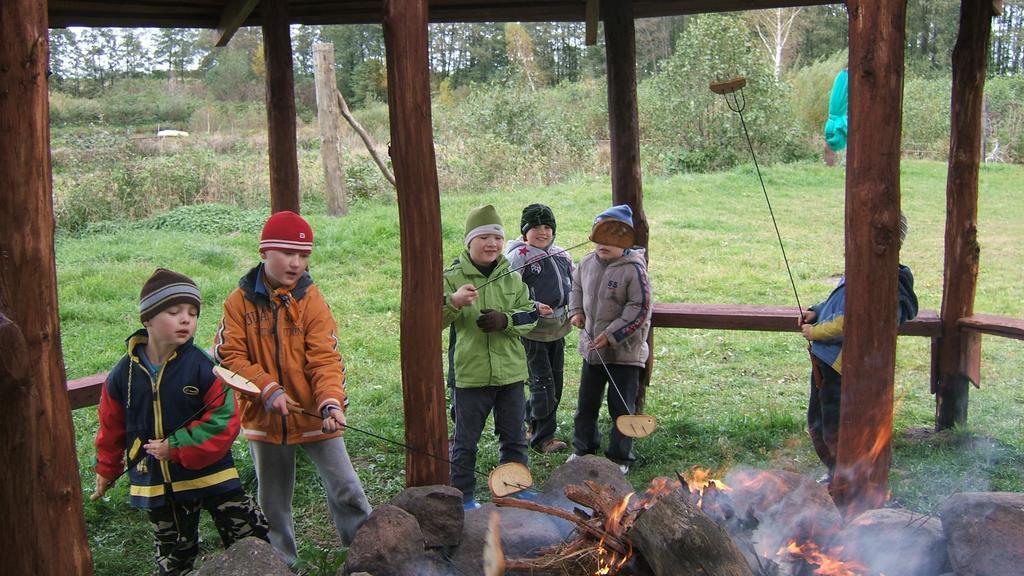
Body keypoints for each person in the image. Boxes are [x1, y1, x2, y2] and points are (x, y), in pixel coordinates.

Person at [214, 211, 371, 565]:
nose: (296, 263)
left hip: (314, 413)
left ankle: (366, 554)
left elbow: (325, 357)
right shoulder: (237, 303)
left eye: (303, 256)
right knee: (272, 500)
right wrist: (267, 389)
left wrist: (331, 402)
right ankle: (282, 563)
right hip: (265, 420)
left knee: (347, 488)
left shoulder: (311, 300)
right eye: (287, 253)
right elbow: (228, 357)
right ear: (264, 252)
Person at [94, 268, 268, 576]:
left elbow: (225, 420)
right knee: (174, 557)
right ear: (147, 319)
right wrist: (107, 470)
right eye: (174, 312)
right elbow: (111, 427)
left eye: (192, 312)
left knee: (250, 535)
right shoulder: (124, 375)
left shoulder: (203, 367)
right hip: (156, 483)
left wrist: (176, 445)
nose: (186, 319)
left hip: (213, 474)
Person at [799, 212, 918, 487]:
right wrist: (816, 312)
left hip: (843, 368)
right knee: (818, 424)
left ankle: (846, 482)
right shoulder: (857, 269)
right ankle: (835, 474)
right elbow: (837, 305)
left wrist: (815, 332)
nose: (848, 243)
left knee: (836, 430)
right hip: (825, 362)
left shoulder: (885, 282)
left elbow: (852, 321)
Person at [443, 204, 538, 509]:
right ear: (468, 241)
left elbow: (531, 315)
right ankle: (463, 497)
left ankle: (515, 489)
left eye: (497, 238)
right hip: (470, 376)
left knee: (514, 437)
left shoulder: (511, 276)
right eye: (483, 237)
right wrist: (454, 302)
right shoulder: (451, 277)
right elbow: (432, 320)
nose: (492, 244)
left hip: (510, 373)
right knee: (465, 441)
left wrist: (505, 321)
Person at [566, 205, 652, 475]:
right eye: (600, 237)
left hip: (624, 353)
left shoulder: (634, 269)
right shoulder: (587, 263)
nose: (605, 244)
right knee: (586, 404)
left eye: (613, 239)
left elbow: (639, 308)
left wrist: (612, 335)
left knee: (621, 407)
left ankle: (620, 457)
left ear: (625, 242)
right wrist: (576, 312)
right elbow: (576, 289)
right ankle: (583, 448)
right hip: (592, 351)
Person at [505, 203, 574, 454]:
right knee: (543, 382)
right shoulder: (519, 256)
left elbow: (573, 284)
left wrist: (575, 308)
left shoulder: (562, 254)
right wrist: (533, 305)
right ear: (525, 231)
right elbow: (509, 293)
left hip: (558, 327)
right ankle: (544, 438)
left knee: (555, 380)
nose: (543, 232)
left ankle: (531, 422)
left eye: (547, 227)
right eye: (535, 227)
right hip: (533, 329)